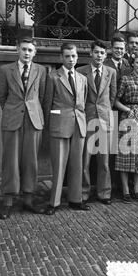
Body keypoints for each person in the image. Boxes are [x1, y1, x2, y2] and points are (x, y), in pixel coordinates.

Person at [0, 36, 47, 220]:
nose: (27, 53)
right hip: (12, 120)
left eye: (30, 50)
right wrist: (13, 111)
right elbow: (2, 96)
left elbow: (42, 97)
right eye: (24, 49)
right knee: (10, 161)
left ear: (35, 52)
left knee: (31, 160)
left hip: (34, 120)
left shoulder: (41, 70)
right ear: (17, 49)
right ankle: (8, 202)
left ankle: (28, 200)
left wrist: (34, 113)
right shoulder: (5, 70)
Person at [43, 43, 89, 215]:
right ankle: (54, 202)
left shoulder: (82, 79)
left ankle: (76, 200)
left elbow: (81, 103)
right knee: (59, 164)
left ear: (77, 57)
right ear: (61, 58)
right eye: (68, 56)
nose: (71, 59)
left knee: (77, 164)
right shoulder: (53, 77)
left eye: (74, 56)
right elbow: (48, 103)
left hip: (79, 124)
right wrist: (52, 122)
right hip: (60, 125)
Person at [77, 40, 117, 205]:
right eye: (96, 52)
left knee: (104, 161)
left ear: (105, 55)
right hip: (87, 119)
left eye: (102, 53)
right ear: (90, 53)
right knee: (85, 160)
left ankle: (104, 193)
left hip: (105, 120)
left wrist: (105, 111)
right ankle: (83, 192)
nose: (99, 55)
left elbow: (112, 96)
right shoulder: (81, 71)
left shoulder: (111, 72)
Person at [115, 51, 138, 203]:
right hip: (128, 117)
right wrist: (128, 110)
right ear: (132, 63)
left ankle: (136, 189)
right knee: (126, 154)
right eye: (137, 62)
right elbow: (116, 100)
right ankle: (125, 190)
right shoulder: (125, 79)